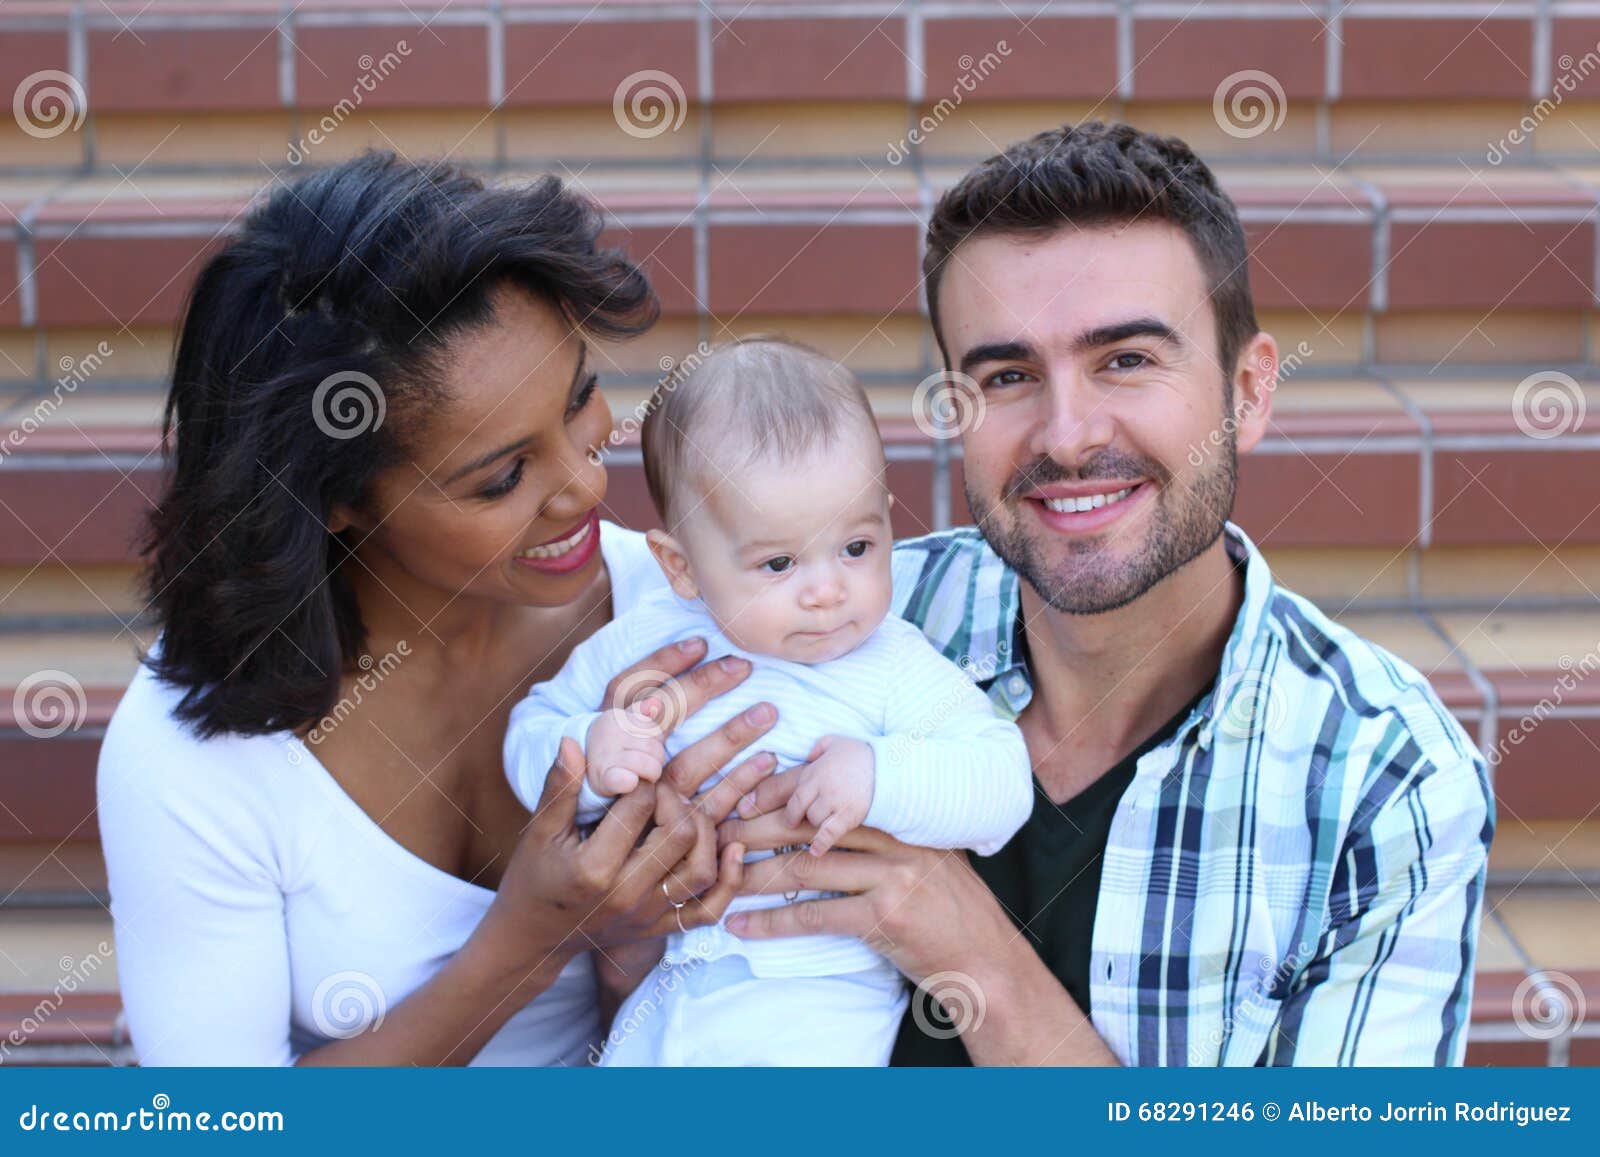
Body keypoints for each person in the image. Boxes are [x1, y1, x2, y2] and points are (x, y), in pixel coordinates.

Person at [721, 121, 1495, 1066]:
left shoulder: (1382, 778)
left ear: (1247, 391)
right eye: (1007, 376)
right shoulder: (830, 623)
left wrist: (971, 952)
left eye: (1126, 359)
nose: (1069, 435)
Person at [96, 153, 779, 1066]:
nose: (584, 483)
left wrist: (633, 956)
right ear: (333, 498)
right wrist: (527, 945)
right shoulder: (197, 756)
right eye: (501, 477)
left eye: (579, 402)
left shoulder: (683, 621)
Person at [504, 338, 1032, 1065]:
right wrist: (591, 752)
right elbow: (531, 729)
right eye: (779, 563)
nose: (827, 589)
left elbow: (1002, 780)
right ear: (681, 566)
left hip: (815, 998)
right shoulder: (647, 642)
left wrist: (880, 774)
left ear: (885, 517)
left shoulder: (890, 663)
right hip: (666, 992)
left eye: (856, 546)